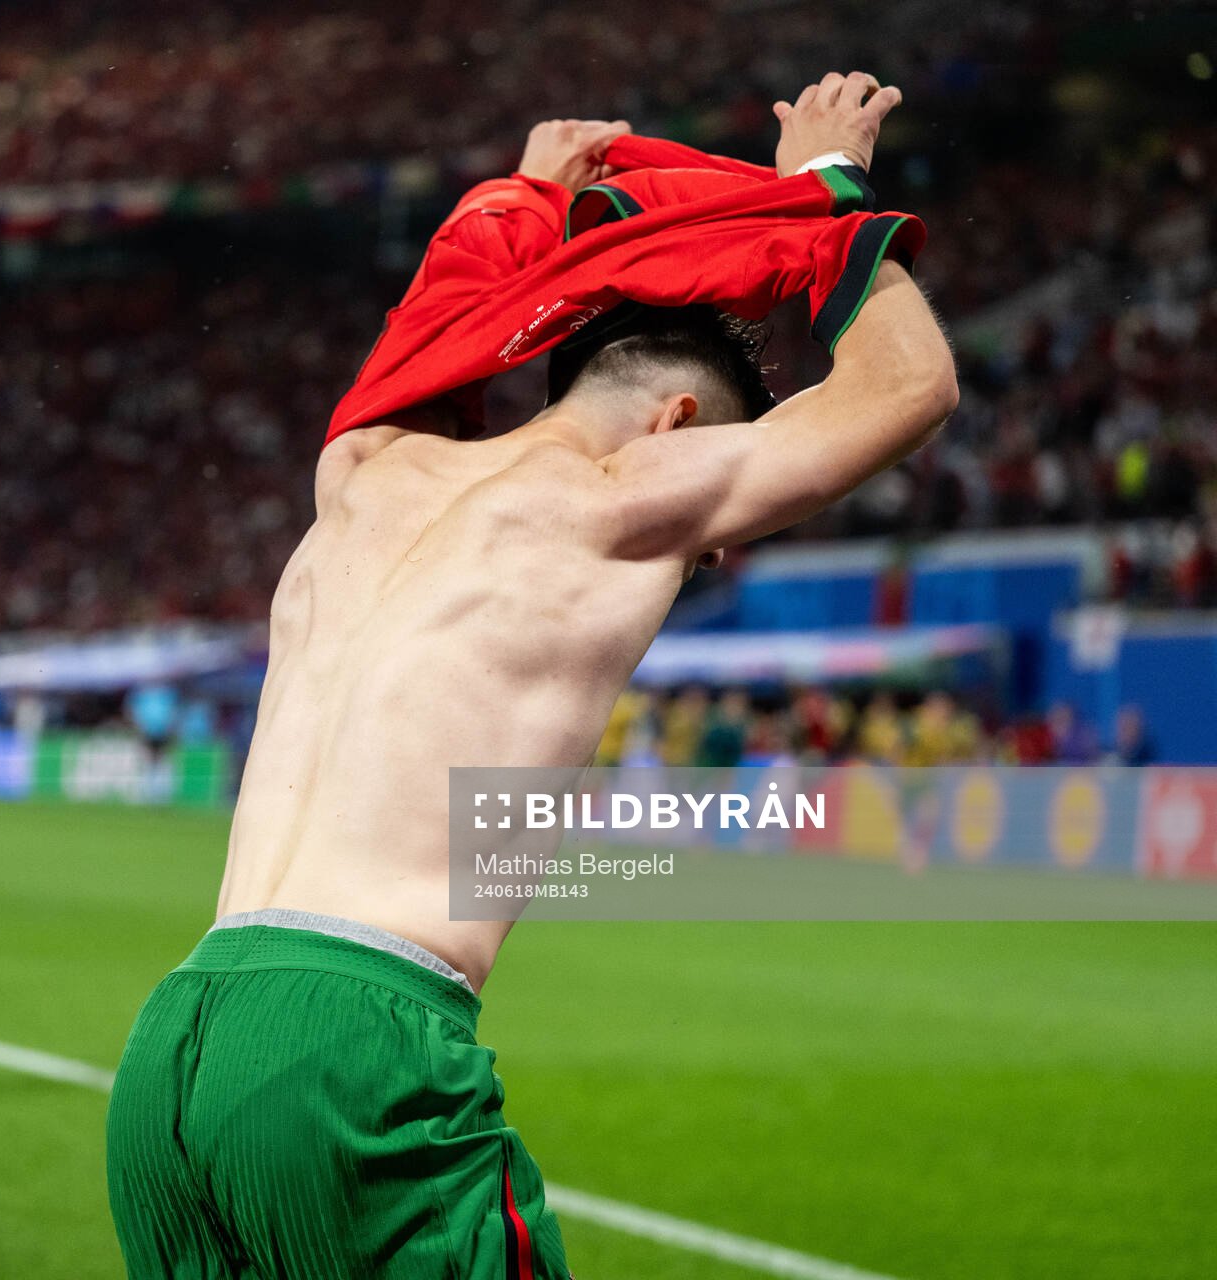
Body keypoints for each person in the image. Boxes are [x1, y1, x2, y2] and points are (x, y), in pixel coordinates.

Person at [107, 73, 956, 1278]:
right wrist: (828, 194)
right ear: (675, 424)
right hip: (353, 1045)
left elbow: (438, 323)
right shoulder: (620, 497)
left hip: (172, 1049)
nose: (712, 550)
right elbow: (910, 386)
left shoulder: (361, 470)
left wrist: (520, 198)